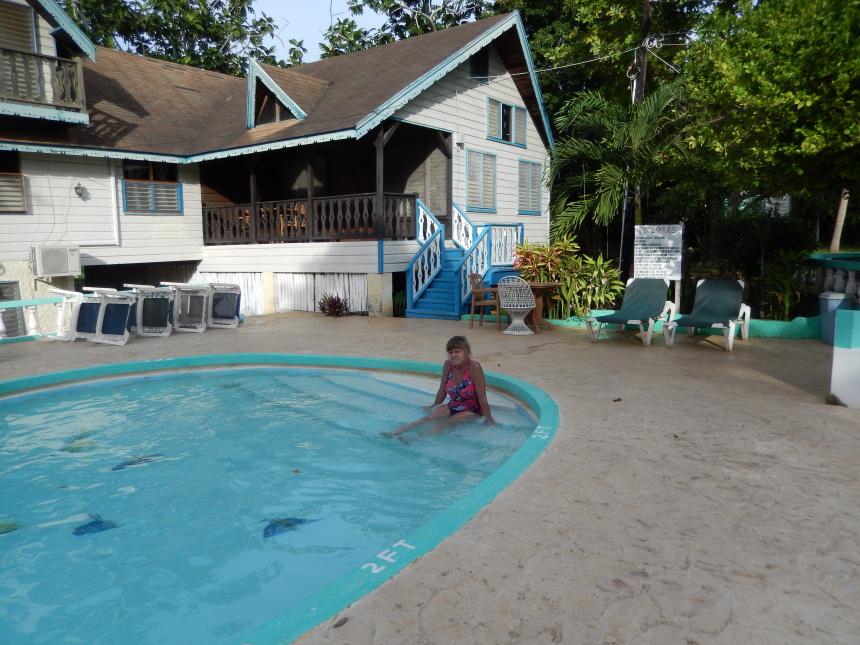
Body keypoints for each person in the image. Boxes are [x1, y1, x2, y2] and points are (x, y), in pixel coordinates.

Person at [383, 336, 494, 438]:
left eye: (457, 351)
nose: (453, 355)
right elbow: (442, 389)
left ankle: (413, 439)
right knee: (428, 418)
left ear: (466, 352)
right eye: (450, 352)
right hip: (452, 405)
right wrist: (434, 405)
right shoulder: (448, 365)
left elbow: (482, 397)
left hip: (471, 410)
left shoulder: (474, 367)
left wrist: (488, 418)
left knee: (446, 423)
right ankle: (395, 433)